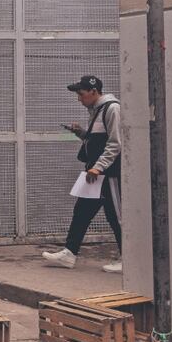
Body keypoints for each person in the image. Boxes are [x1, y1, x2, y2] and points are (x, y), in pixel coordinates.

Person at [42, 75, 123, 273]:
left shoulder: (112, 108)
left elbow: (115, 143)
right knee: (81, 213)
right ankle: (69, 254)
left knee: (117, 216)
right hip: (93, 173)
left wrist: (99, 166)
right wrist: (80, 133)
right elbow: (96, 140)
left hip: (108, 173)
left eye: (81, 94)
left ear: (94, 92)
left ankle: (128, 258)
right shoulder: (95, 110)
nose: (79, 98)